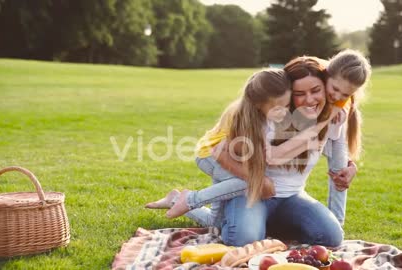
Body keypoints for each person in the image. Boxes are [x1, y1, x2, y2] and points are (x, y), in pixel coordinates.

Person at [146, 50, 371, 227]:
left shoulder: (340, 101)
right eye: (334, 90)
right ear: (326, 75)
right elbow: (226, 153)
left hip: (249, 165)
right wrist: (260, 180)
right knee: (249, 189)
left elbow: (336, 151)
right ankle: (188, 199)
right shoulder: (273, 104)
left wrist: (349, 166)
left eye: (345, 95)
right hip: (217, 153)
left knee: (218, 221)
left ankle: (182, 200)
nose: (337, 97)